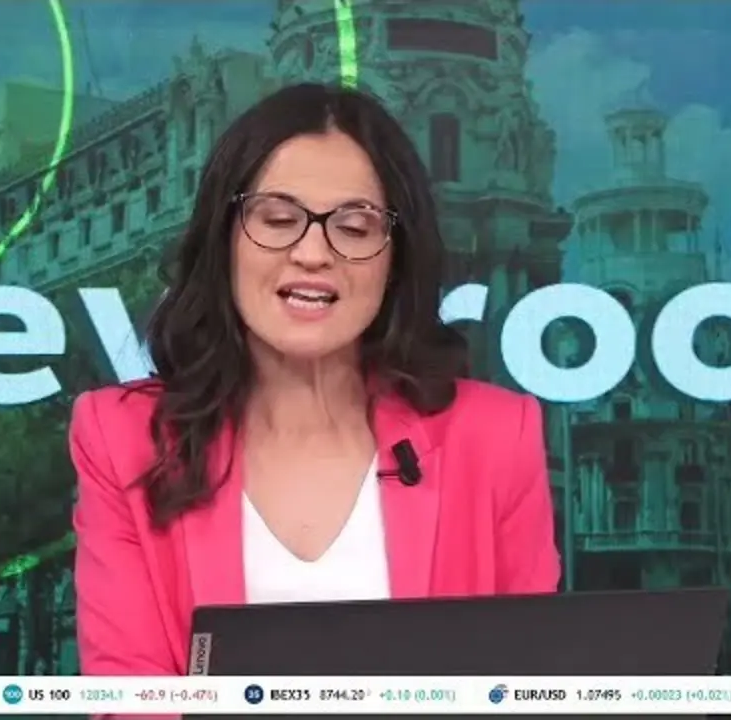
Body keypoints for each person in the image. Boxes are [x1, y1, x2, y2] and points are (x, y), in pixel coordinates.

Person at [69, 82, 560, 677]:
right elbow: (131, 698)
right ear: (224, 240)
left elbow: (532, 687)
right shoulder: (121, 438)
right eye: (278, 220)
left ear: (395, 259)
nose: (312, 253)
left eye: (353, 228)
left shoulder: (497, 436)